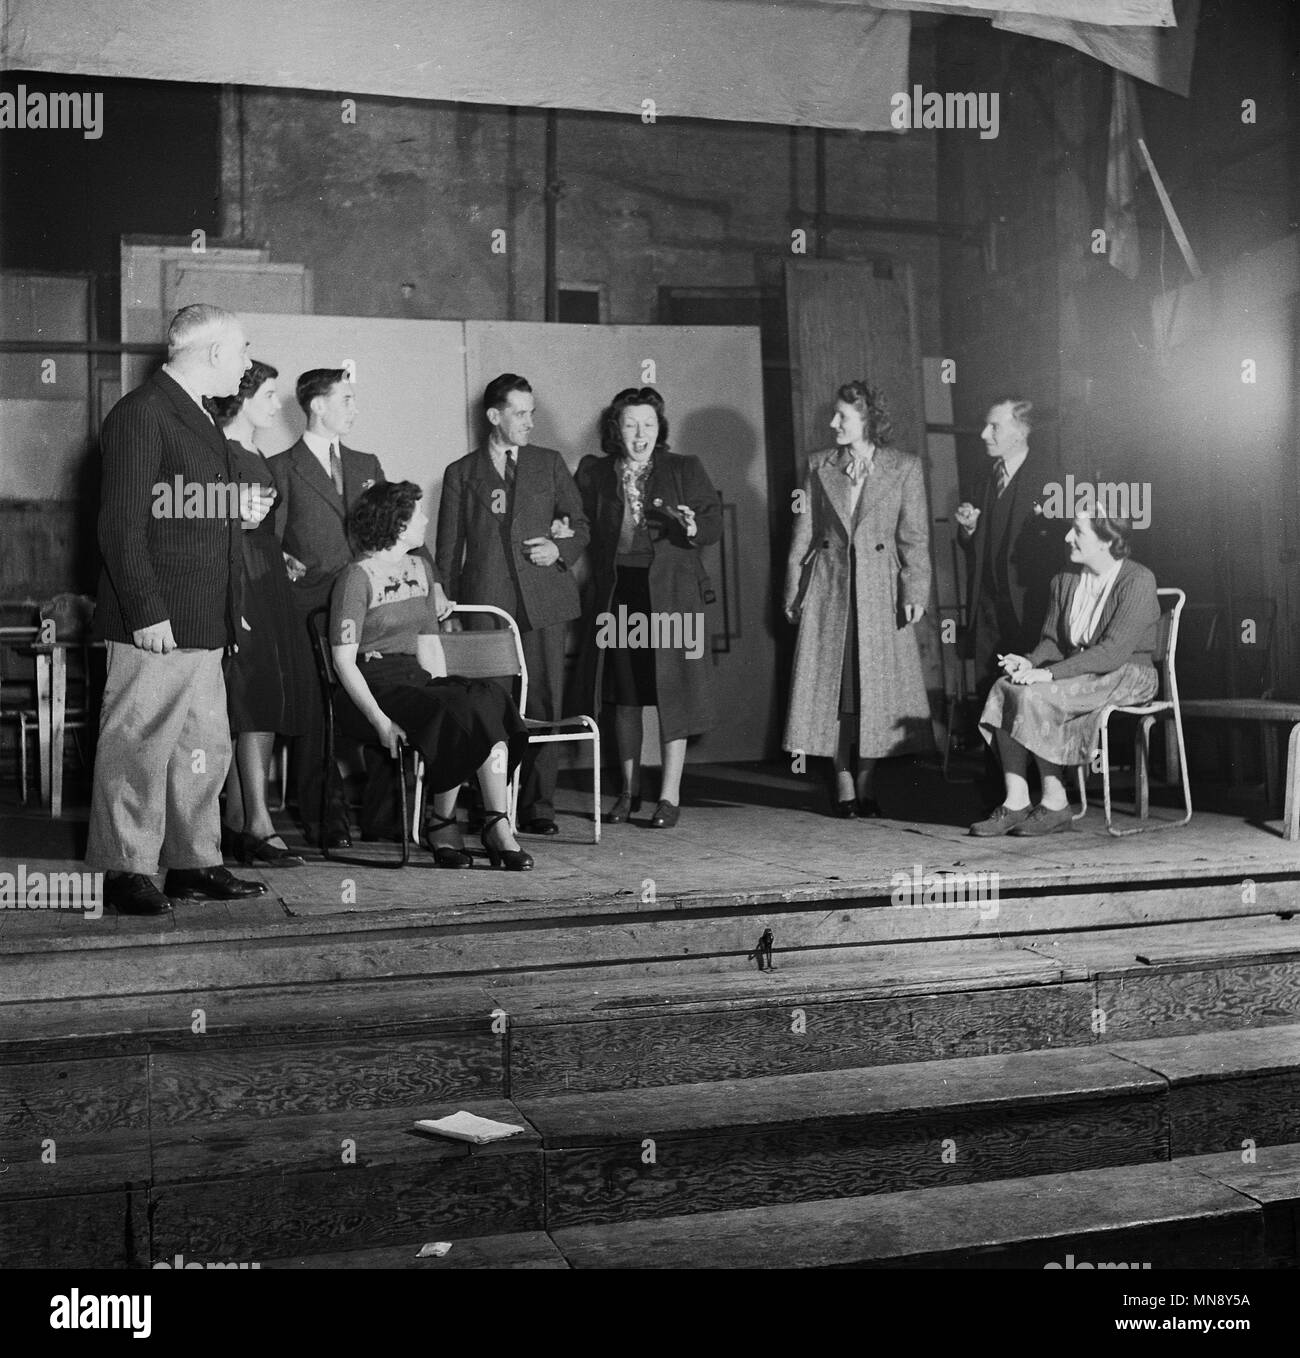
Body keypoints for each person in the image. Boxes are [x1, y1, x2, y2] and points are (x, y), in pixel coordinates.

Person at [86, 303, 269, 915]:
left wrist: (231, 511)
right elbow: (119, 526)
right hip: (157, 620)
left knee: (204, 746)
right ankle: (122, 869)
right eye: (243, 351)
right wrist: (145, 611)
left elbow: (173, 508)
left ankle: (192, 862)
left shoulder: (196, 415)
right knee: (137, 746)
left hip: (200, 618)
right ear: (215, 353)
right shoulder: (141, 414)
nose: (246, 364)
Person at [330, 481, 534, 870]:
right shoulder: (355, 577)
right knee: (458, 708)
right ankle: (445, 823)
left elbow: (429, 641)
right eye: (417, 514)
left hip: (416, 680)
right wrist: (380, 721)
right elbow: (343, 662)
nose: (424, 519)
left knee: (485, 696)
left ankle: (493, 822)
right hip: (371, 687)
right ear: (397, 522)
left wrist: (445, 686)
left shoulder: (419, 568)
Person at [436, 374, 589, 836]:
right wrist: (445, 600)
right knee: (492, 707)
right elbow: (447, 549)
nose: (529, 423)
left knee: (544, 701)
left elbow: (579, 523)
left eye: (532, 413)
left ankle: (539, 805)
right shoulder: (461, 473)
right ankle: (492, 808)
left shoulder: (549, 463)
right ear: (494, 416)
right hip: (487, 607)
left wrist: (559, 550)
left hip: (544, 601)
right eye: (520, 414)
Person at [783, 381, 933, 818]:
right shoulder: (817, 466)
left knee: (875, 694)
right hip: (829, 593)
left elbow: (914, 537)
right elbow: (803, 536)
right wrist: (793, 592)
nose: (833, 424)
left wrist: (916, 590)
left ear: (868, 420)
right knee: (836, 691)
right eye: (834, 415)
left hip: (880, 595)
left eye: (842, 417)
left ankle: (866, 780)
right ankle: (844, 782)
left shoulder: (905, 467)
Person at [575, 386, 721, 828]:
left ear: (661, 429)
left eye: (649, 425)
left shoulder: (684, 468)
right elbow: (578, 522)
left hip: (673, 595)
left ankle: (669, 796)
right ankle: (627, 792)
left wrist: (695, 526)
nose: (641, 435)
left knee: (672, 692)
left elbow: (710, 521)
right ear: (615, 430)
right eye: (631, 425)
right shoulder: (594, 473)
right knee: (624, 696)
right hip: (620, 592)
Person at [971, 512, 1160, 837]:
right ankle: (1016, 801)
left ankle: (1055, 801)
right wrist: (1029, 663)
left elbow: (1112, 652)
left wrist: (1049, 675)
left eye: (1077, 532)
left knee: (1036, 694)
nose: (1067, 538)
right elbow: (1053, 641)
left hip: (1128, 674)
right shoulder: (1066, 579)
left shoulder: (1137, 580)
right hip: (1082, 672)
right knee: (1006, 687)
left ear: (1106, 541)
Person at [207, 360, 311, 868]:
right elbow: (200, 518)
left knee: (255, 699)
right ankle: (257, 823)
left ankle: (237, 820)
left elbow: (254, 525)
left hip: (264, 577)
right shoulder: (219, 450)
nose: (276, 404)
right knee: (247, 700)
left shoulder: (254, 452)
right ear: (243, 397)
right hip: (238, 586)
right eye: (270, 394)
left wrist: (275, 552)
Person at [955, 397, 1062, 696]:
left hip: (1030, 611)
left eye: (994, 427)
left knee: (1028, 698)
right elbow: (980, 545)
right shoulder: (986, 478)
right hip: (989, 609)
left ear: (1020, 431)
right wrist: (970, 529)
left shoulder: (1050, 478)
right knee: (988, 691)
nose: (983, 435)